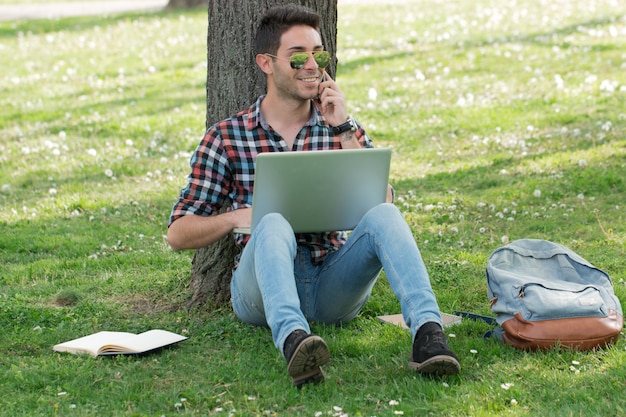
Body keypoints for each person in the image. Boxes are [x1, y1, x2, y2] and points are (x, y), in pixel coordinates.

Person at [167, 4, 460, 387]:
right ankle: (294, 341)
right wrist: (238, 218)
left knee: (387, 217)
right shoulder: (226, 137)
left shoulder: (340, 127)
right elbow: (178, 233)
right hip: (261, 292)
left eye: (319, 55)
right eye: (298, 57)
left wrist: (343, 128)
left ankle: (429, 335)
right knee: (271, 221)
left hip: (330, 283)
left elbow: (382, 202)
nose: (312, 66)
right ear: (266, 63)